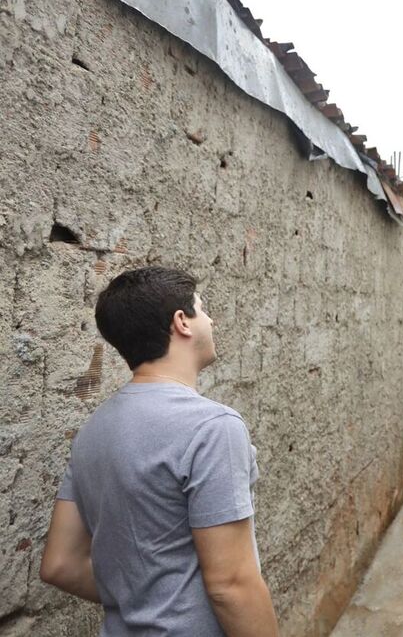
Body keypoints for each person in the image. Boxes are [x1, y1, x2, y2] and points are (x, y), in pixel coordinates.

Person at [40, 267, 278, 636]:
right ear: (182, 322)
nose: (212, 319)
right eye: (203, 308)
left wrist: (141, 600)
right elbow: (231, 584)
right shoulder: (212, 427)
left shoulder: (92, 432)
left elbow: (60, 564)